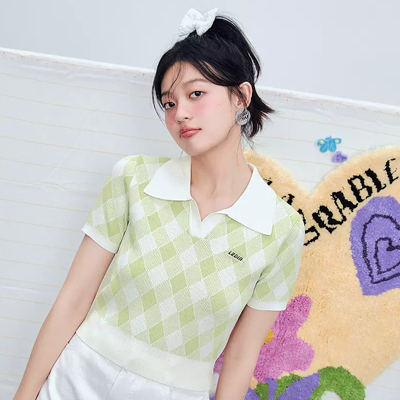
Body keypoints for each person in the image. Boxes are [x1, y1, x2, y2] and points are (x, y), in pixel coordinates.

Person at [14, 7, 305, 400]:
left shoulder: (280, 228)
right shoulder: (133, 179)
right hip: (76, 380)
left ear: (241, 96)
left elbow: (241, 356)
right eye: (169, 103)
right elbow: (73, 300)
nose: (180, 113)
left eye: (196, 94)